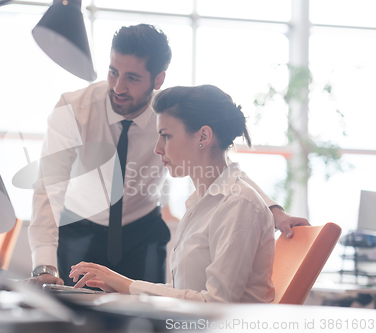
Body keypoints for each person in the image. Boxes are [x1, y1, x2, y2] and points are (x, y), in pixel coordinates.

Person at [27, 24, 308, 287]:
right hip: (80, 226)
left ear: (158, 78)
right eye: (113, 72)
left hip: (143, 230)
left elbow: (220, 167)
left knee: (148, 316)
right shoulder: (73, 109)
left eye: (132, 78)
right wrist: (44, 265)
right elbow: (48, 188)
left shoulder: (171, 115)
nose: (117, 87)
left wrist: (273, 211)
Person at [70, 85, 275, 303]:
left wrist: (127, 286)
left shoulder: (238, 204)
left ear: (203, 136)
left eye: (166, 136)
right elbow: (186, 290)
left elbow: (216, 302)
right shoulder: (201, 204)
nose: (157, 148)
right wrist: (121, 287)